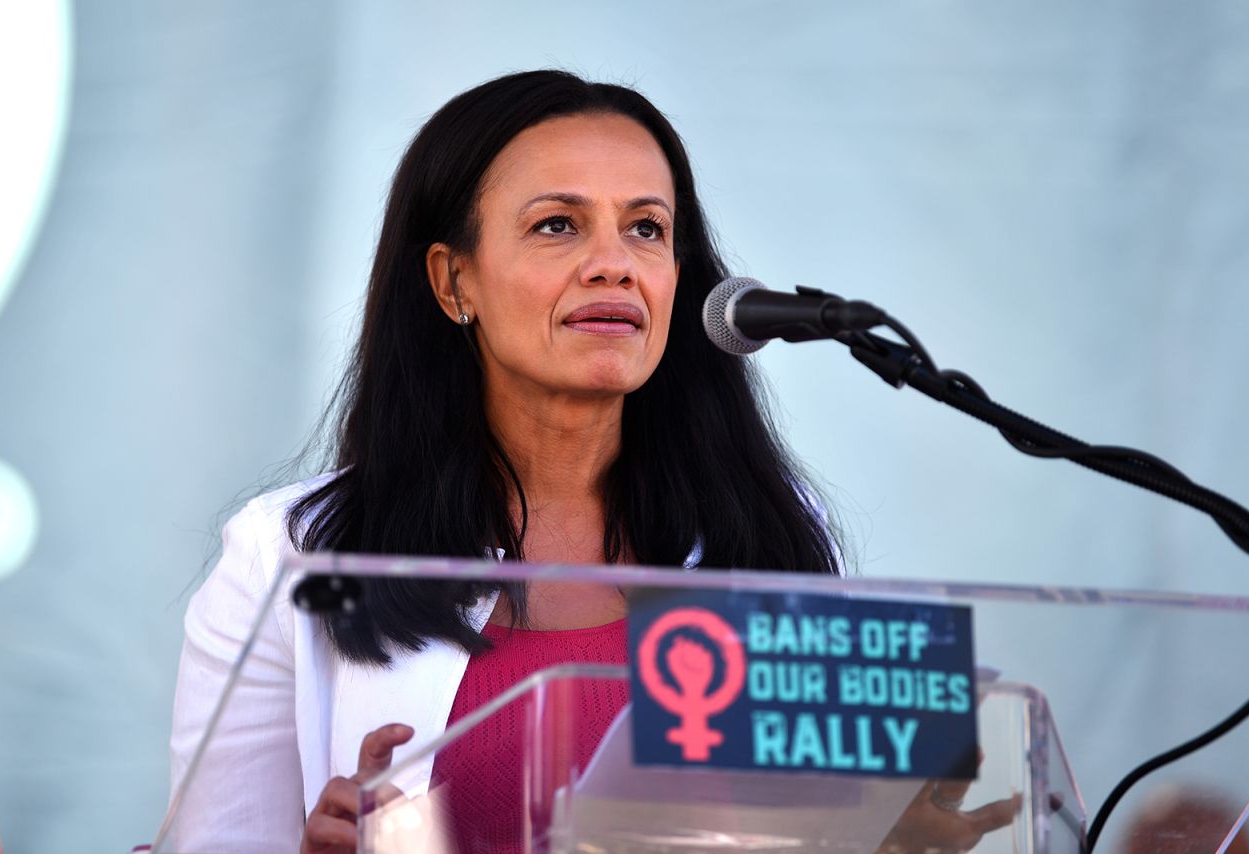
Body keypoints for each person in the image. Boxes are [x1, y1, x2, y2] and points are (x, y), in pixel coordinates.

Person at [164, 70, 1008, 853]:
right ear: (453, 280)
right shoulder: (290, 554)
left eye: (647, 228)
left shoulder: (768, 530)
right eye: (557, 225)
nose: (614, 263)